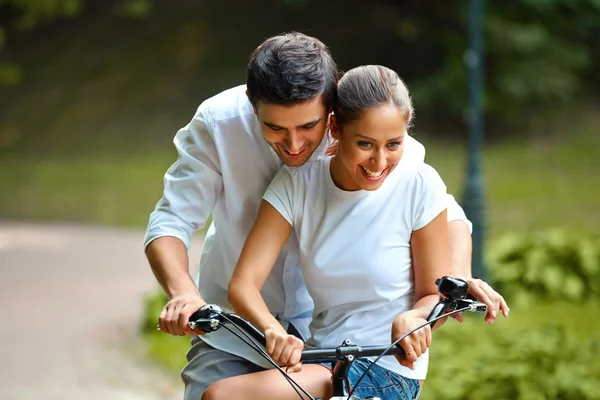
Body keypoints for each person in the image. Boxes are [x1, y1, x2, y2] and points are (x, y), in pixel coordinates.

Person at [144, 32, 508, 399]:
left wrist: (457, 280)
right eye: (275, 129)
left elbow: (444, 211)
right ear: (253, 106)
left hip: (327, 341)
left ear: (332, 114)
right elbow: (171, 220)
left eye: (308, 127)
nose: (295, 145)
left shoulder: (369, 135)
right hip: (236, 329)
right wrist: (184, 294)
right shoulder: (219, 124)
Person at [205, 65, 449, 400]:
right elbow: (242, 286)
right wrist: (273, 330)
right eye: (365, 144)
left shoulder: (420, 184)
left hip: (387, 365)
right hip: (322, 357)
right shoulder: (298, 183)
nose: (379, 161)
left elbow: (434, 293)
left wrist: (416, 318)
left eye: (393, 144)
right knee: (219, 395)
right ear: (335, 128)